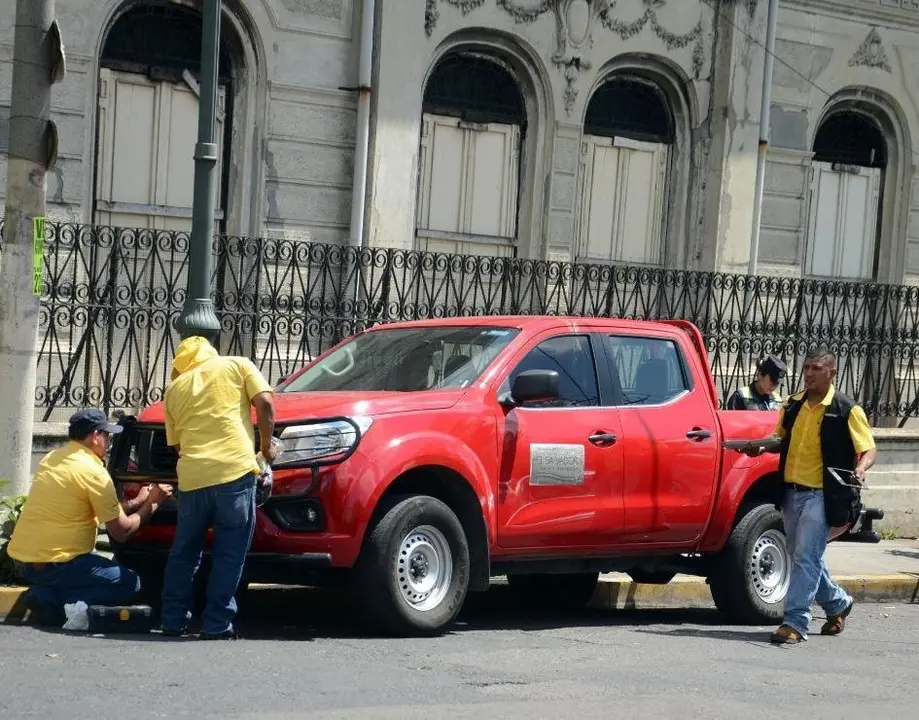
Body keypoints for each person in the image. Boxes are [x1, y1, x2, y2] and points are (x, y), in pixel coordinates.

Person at [740, 348, 877, 644]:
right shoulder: (792, 405)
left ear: (832, 373)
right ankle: (838, 603)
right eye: (807, 368)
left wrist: (862, 468)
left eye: (817, 368)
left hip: (822, 495)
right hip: (790, 492)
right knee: (800, 554)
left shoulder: (846, 409)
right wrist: (760, 447)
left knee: (805, 556)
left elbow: (868, 448)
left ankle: (795, 621)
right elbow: (781, 441)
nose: (810, 374)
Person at [8, 409, 171, 626]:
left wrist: (138, 501)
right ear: (95, 436)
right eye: (106, 435)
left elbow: (102, 510)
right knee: (131, 583)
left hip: (23, 561)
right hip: (60, 564)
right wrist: (153, 503)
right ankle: (53, 600)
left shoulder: (53, 458)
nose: (108, 442)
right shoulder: (94, 471)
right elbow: (121, 532)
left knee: (76, 573)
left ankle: (44, 592)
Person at [160, 336, 276, 640]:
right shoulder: (238, 365)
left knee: (184, 553)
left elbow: (177, 445)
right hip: (234, 473)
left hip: (192, 478)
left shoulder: (174, 390)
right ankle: (216, 624)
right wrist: (266, 446)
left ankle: (172, 620)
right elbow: (265, 402)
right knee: (229, 553)